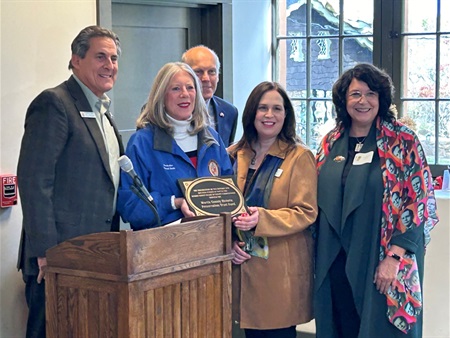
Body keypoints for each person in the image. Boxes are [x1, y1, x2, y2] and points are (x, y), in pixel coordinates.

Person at [314, 63, 439, 338]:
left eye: (371, 94)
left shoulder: (403, 141)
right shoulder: (330, 142)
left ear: (381, 99)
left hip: (382, 261)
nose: (363, 101)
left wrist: (394, 257)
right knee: (341, 325)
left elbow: (418, 202)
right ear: (343, 100)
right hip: (335, 260)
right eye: (355, 94)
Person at [17, 26, 124, 338]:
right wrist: (48, 252)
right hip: (57, 258)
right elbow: (35, 180)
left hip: (97, 255)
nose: (110, 65)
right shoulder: (55, 104)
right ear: (76, 60)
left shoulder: (103, 112)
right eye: (100, 56)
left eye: (114, 58)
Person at [228, 81, 318, 338]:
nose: (269, 115)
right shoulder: (232, 155)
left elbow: (306, 212)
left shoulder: (299, 156)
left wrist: (261, 219)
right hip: (238, 268)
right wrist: (230, 241)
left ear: (286, 115)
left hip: (277, 276)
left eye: (277, 109)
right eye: (262, 108)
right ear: (251, 113)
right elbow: (220, 208)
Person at [117, 62, 233, 229]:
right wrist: (174, 203)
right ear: (161, 96)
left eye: (190, 88)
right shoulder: (142, 143)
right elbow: (131, 207)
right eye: (176, 89)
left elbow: (229, 193)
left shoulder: (211, 139)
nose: (184, 94)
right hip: (162, 246)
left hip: (212, 244)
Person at [182, 45, 238, 147]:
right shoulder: (168, 109)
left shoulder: (229, 112)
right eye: (198, 72)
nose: (206, 78)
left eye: (212, 72)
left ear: (218, 76)